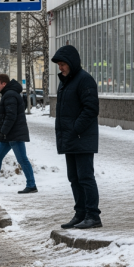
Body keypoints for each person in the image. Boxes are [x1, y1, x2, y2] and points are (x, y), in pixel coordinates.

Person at [51, 45, 102, 230]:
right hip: (71, 138)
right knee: (74, 178)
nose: (60, 68)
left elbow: (91, 109)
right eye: (59, 65)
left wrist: (75, 128)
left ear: (72, 63)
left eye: (63, 64)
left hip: (81, 137)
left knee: (85, 177)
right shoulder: (66, 81)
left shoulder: (84, 80)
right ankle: (80, 213)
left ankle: (93, 215)